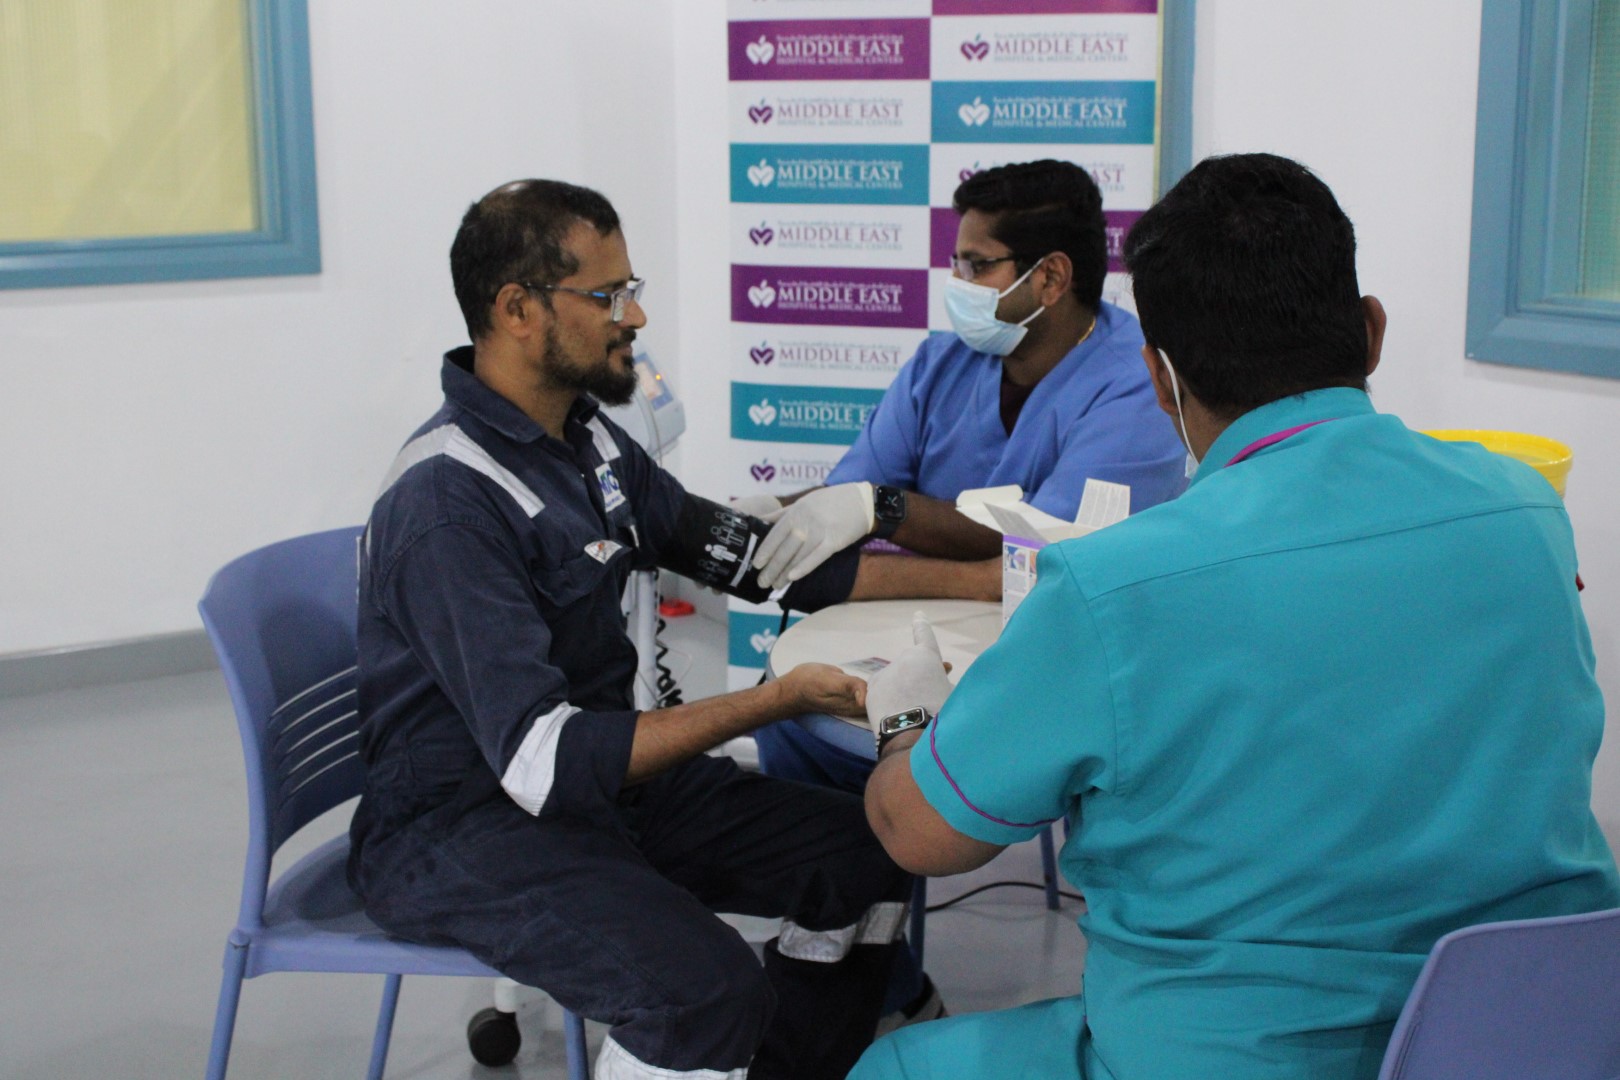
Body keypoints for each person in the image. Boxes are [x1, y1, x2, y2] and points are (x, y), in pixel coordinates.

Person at [851, 153, 1620, 1080]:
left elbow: (921, 835)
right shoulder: (1526, 510)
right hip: (1528, 1037)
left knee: (893, 1067)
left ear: (1160, 379)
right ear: (1371, 333)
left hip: (1239, 1055)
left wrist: (905, 716)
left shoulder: (1110, 587)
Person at [346, 179, 996, 1080]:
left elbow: (764, 563)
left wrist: (990, 581)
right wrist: (773, 702)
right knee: (702, 993)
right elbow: (543, 761)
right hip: (463, 830)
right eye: (608, 295)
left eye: (631, 288)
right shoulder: (448, 506)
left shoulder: (588, 442)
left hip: (596, 792)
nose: (636, 316)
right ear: (518, 310)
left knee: (866, 851)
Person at [750, 159, 1186, 795]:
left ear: (1051, 278)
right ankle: (847, 858)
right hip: (913, 633)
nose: (957, 283)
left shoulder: (1133, 383)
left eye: (977, 266)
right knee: (791, 713)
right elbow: (850, 493)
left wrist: (882, 516)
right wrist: (762, 510)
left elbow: (1042, 549)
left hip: (1055, 656)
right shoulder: (942, 362)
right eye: (956, 263)